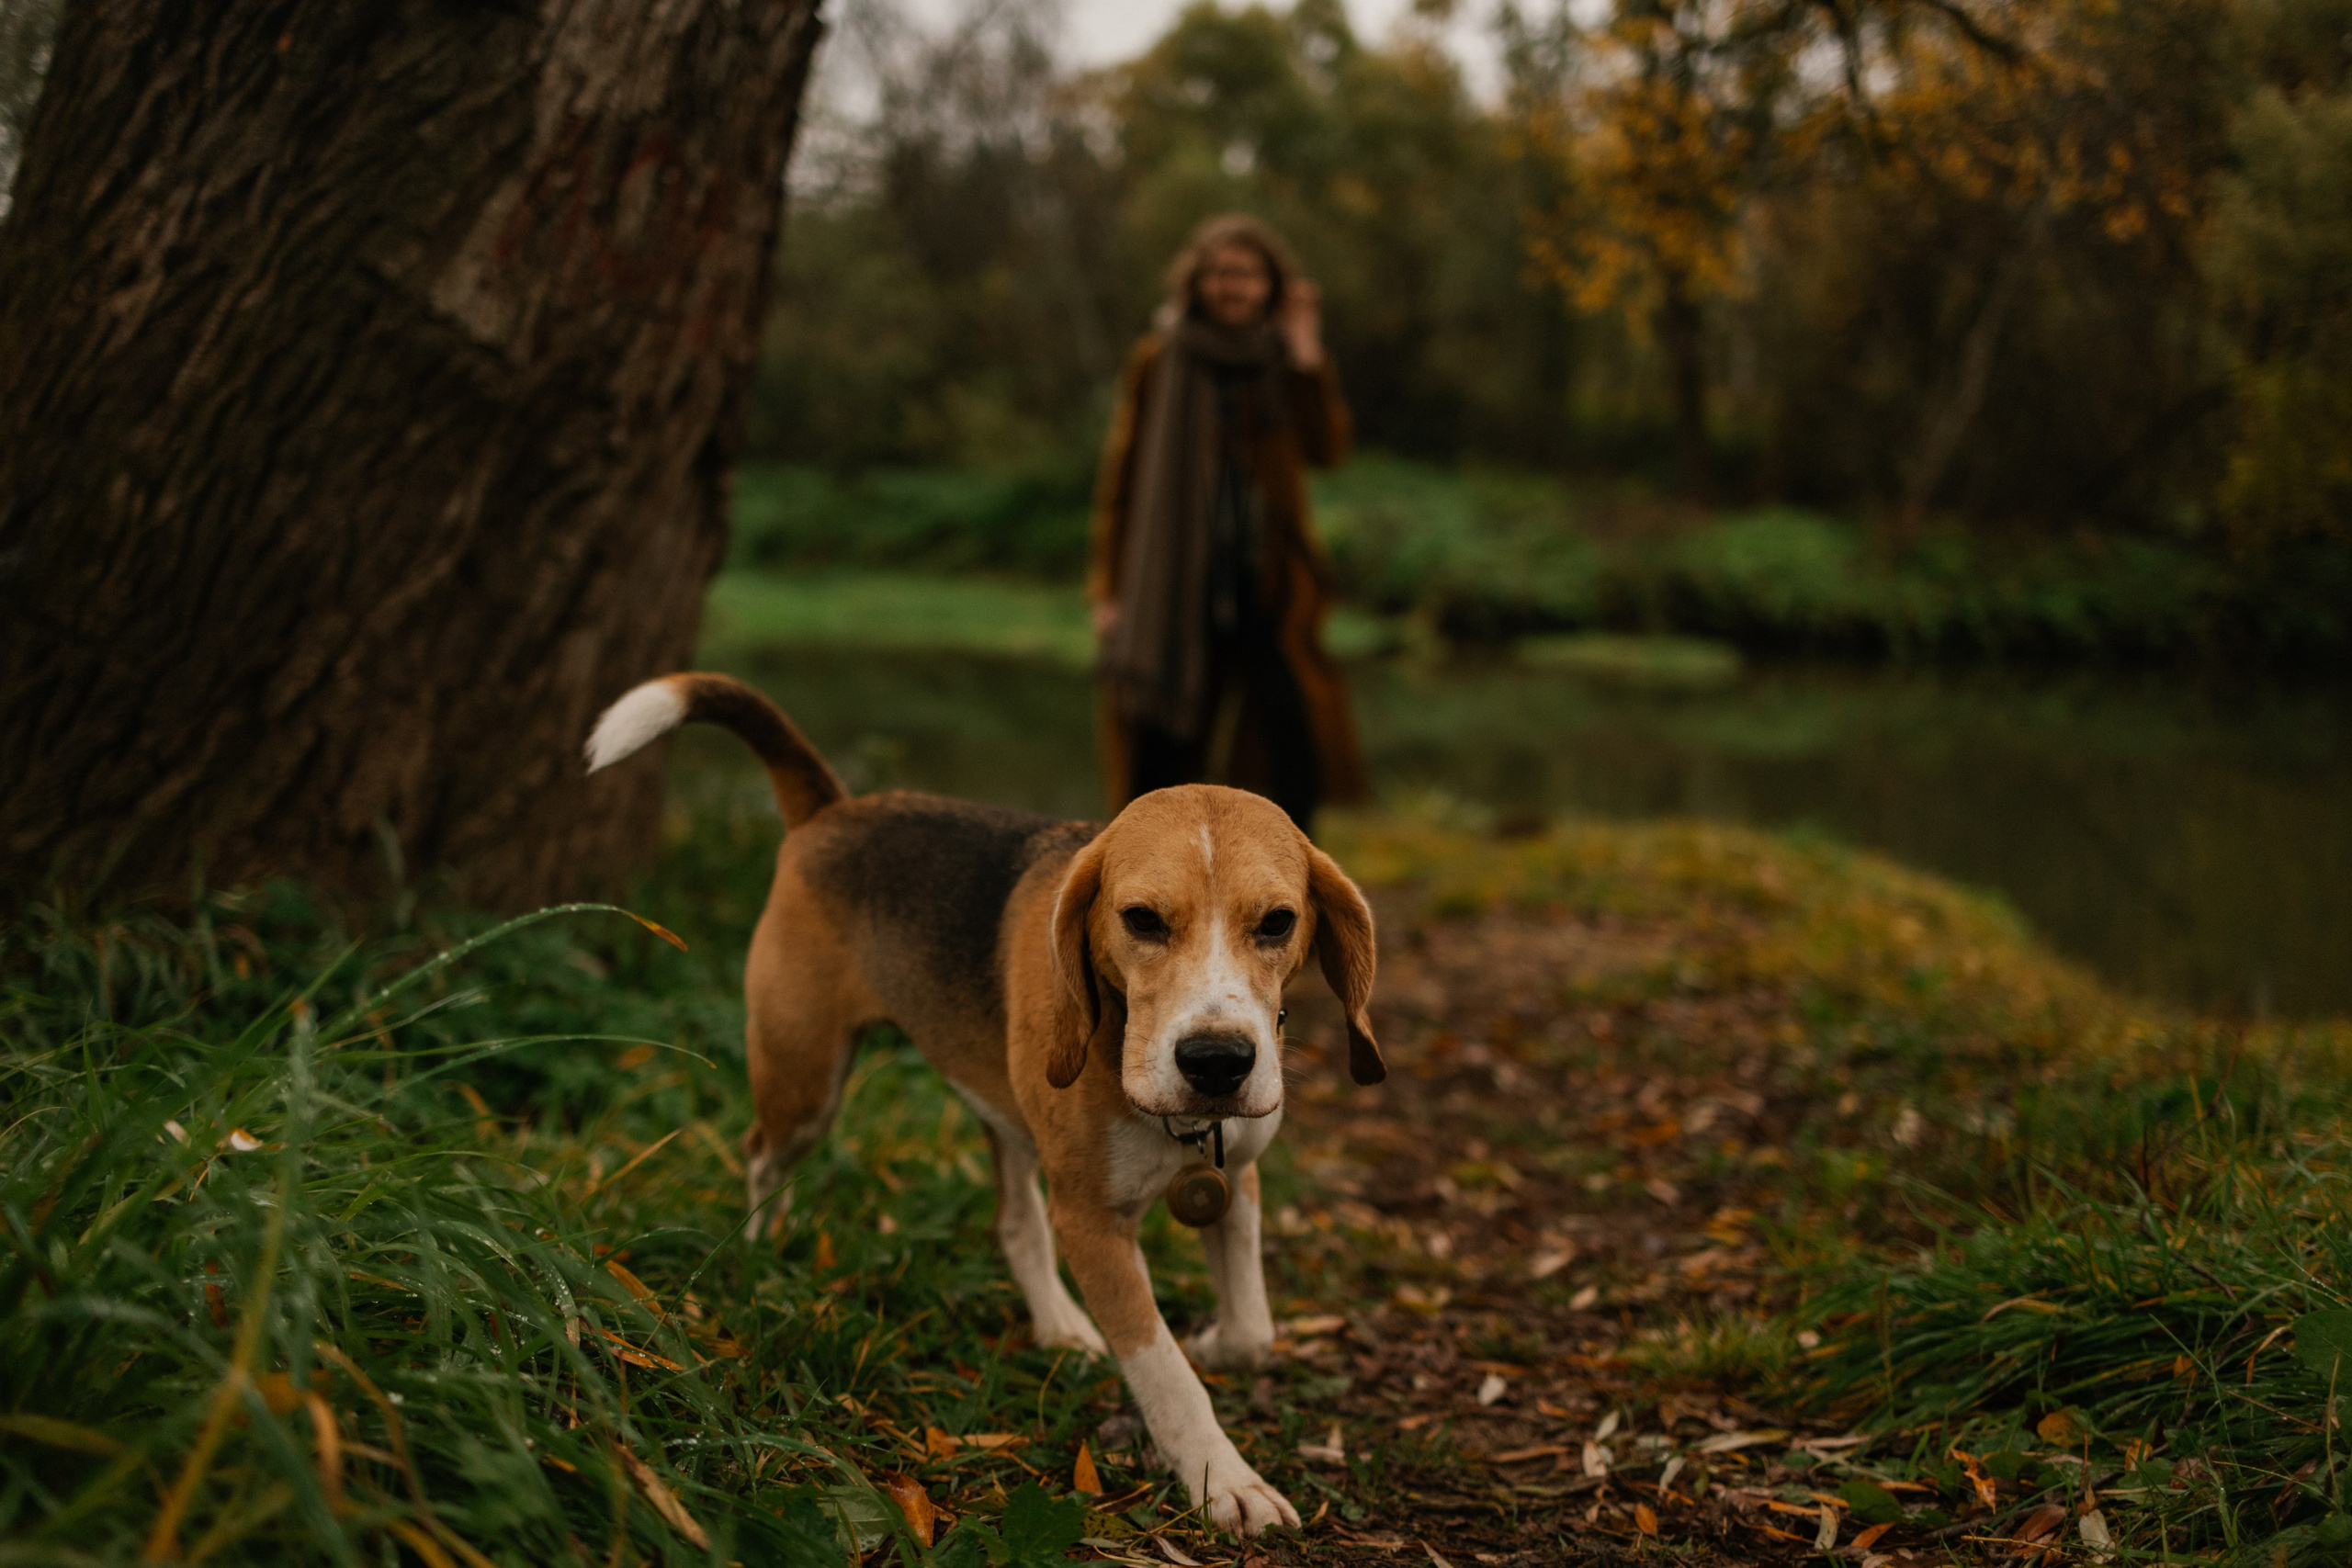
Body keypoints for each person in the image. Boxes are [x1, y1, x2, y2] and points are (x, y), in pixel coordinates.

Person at [1088, 213, 1368, 832]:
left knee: (1293, 737)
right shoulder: (1162, 357)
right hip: (1174, 582)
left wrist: (1306, 350)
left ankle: (1296, 877)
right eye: (1217, 272)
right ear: (1196, 281)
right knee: (1162, 739)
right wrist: (1108, 588)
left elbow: (1328, 449)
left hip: (1266, 583)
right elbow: (1124, 478)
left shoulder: (1283, 360)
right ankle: (1146, 878)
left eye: (1244, 273)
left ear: (1270, 284)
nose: (1230, 285)